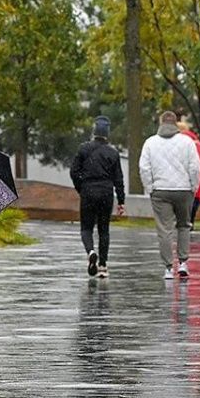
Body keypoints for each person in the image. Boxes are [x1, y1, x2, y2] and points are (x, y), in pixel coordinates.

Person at [139, 111, 200, 281]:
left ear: (160, 123)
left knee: (164, 229)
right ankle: (183, 263)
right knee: (184, 226)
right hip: (184, 190)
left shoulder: (150, 143)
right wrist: (193, 187)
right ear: (176, 123)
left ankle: (168, 268)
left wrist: (150, 188)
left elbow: (144, 168)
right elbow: (195, 167)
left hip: (160, 190)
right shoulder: (187, 142)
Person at [69, 116, 126, 278]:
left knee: (86, 228)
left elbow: (74, 172)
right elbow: (118, 179)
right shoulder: (113, 153)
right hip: (106, 192)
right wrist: (121, 201)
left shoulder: (83, 149)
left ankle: (91, 251)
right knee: (104, 230)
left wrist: (81, 188)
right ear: (107, 133)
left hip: (88, 191)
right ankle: (102, 266)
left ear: (94, 132)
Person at [177, 120, 200, 228]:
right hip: (197, 183)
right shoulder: (196, 142)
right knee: (191, 215)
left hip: (184, 183)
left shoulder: (182, 143)